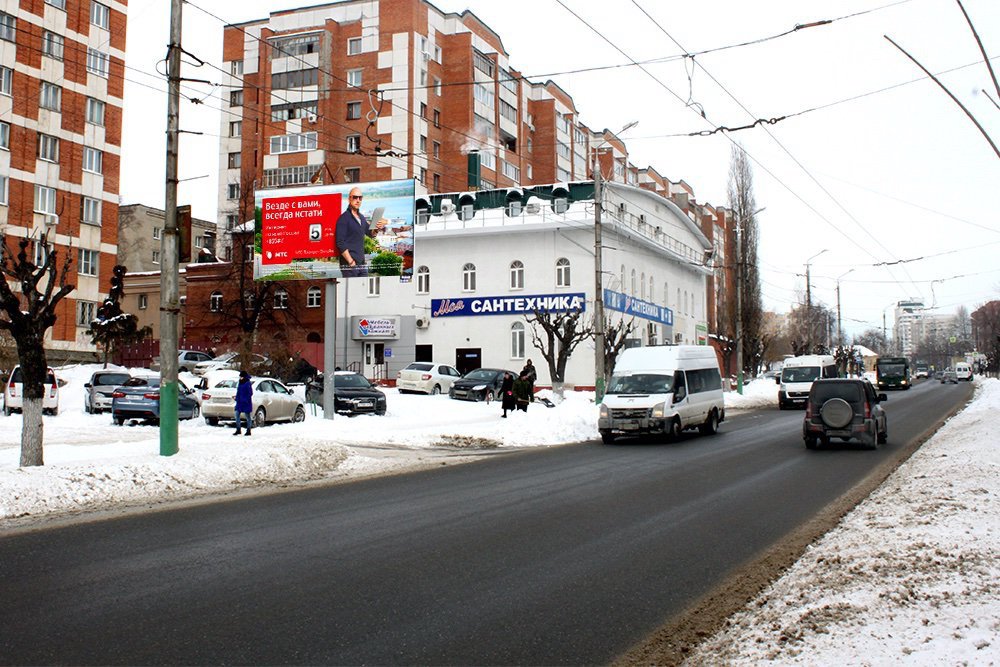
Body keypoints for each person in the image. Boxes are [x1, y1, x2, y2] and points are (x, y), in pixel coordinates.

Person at [335, 187, 387, 277]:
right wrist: (351, 261)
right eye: (355, 197)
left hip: (362, 264)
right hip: (349, 265)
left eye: (360, 198)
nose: (358, 200)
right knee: (352, 290)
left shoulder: (362, 217)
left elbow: (371, 234)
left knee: (364, 289)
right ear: (349, 199)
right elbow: (340, 242)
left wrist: (377, 229)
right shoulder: (343, 218)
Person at [234, 371, 254, 436]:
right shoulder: (240, 382)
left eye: (241, 377)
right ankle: (238, 429)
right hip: (239, 402)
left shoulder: (248, 383)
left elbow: (250, 393)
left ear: (244, 377)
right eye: (240, 377)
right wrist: (237, 398)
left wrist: (245, 399)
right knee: (236, 415)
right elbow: (238, 391)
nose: (240, 378)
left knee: (248, 417)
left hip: (246, 403)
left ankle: (248, 430)